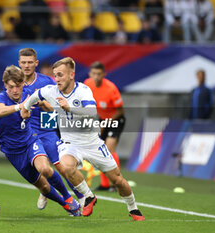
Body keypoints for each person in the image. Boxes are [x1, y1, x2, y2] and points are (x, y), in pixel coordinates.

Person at [21, 57, 145, 220]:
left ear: (71, 75)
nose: (57, 79)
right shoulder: (51, 90)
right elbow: (36, 95)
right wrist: (25, 107)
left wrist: (69, 107)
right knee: (66, 166)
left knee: (117, 180)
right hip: (70, 143)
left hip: (92, 143)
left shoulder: (83, 90)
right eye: (55, 75)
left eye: (61, 75)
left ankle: (133, 207)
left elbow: (92, 113)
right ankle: (88, 196)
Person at [0, 65, 81, 216]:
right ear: (5, 85)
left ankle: (68, 197)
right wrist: (19, 107)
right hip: (12, 150)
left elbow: (46, 105)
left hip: (30, 140)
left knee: (45, 169)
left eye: (18, 86)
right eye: (11, 87)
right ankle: (64, 204)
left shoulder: (28, 94)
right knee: (44, 187)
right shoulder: (1, 98)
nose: (15, 90)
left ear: (22, 84)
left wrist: (50, 107)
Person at [17, 48, 84, 210]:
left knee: (61, 166)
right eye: (23, 62)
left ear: (36, 63)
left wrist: (43, 105)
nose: (26, 66)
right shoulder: (14, 83)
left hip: (45, 130)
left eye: (30, 62)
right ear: (19, 63)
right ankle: (47, 190)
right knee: (41, 168)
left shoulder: (47, 82)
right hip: (25, 134)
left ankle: (82, 196)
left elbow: (56, 108)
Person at [84, 62, 125, 191]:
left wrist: (106, 123)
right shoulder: (87, 84)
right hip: (100, 120)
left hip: (116, 119)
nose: (96, 76)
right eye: (94, 74)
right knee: (100, 150)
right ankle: (105, 184)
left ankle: (116, 182)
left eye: (99, 74)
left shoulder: (111, 88)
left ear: (104, 74)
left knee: (109, 148)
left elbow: (120, 111)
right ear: (90, 74)